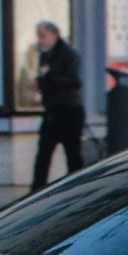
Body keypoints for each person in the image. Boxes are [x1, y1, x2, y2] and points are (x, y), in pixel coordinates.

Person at [30, 20, 86, 193]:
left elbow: (74, 81)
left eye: (43, 36)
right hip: (51, 112)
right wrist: (40, 82)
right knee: (43, 156)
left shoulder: (68, 55)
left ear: (54, 35)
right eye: (39, 36)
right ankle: (36, 191)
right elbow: (48, 78)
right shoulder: (45, 54)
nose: (40, 40)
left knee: (73, 155)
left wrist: (48, 77)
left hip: (69, 112)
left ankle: (77, 190)